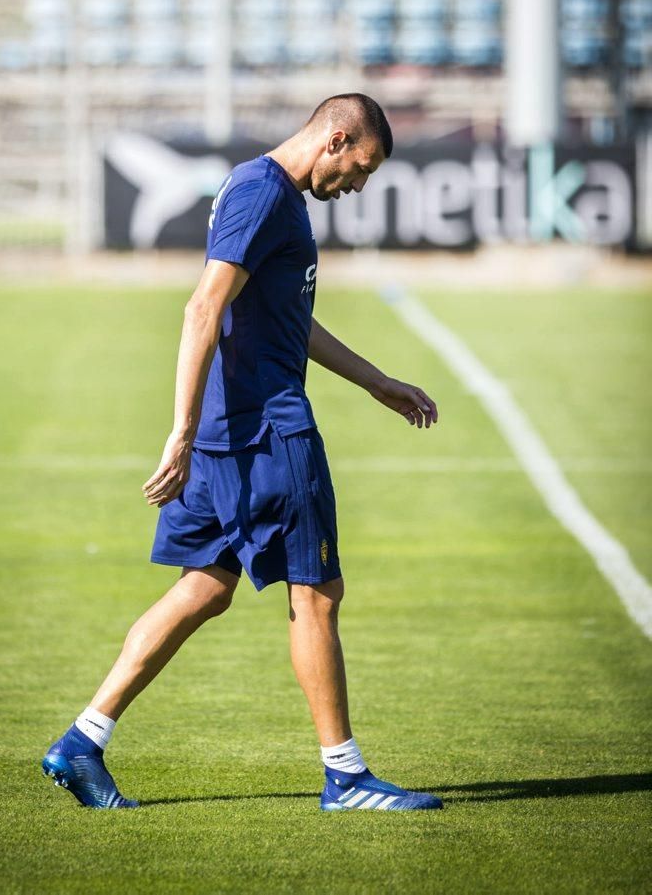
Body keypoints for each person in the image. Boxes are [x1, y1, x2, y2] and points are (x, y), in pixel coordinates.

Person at [42, 93, 442, 813]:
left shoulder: (257, 186)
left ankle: (82, 739)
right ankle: (346, 776)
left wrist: (376, 381)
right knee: (317, 594)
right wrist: (180, 431)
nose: (359, 184)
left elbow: (285, 317)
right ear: (337, 136)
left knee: (205, 587)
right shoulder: (266, 195)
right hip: (265, 430)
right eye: (362, 166)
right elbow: (203, 306)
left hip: (233, 432)